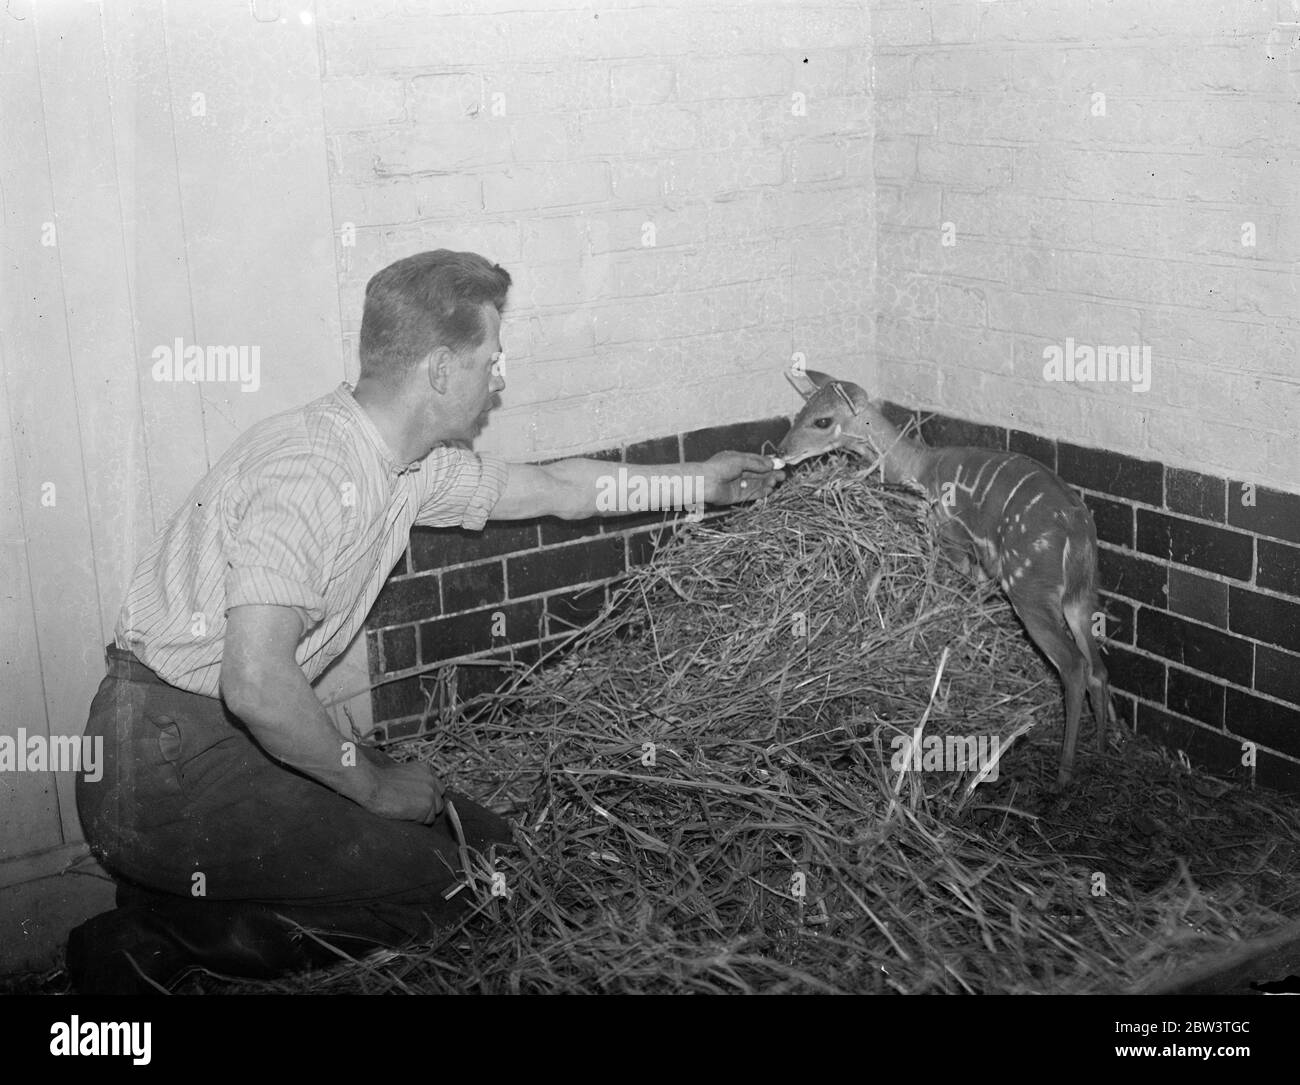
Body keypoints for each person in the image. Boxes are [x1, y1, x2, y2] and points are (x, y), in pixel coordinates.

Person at [67, 250, 781, 993]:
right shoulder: (316, 470)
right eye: (490, 360)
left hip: (219, 741)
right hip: (163, 762)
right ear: (441, 369)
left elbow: (559, 490)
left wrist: (705, 480)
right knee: (456, 892)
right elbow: (253, 682)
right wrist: (372, 786)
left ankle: (205, 883)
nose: (498, 379)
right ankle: (149, 939)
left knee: (497, 854)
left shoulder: (405, 464)